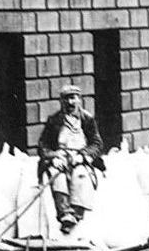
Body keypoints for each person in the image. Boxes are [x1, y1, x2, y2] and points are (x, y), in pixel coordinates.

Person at [37, 84, 105, 233]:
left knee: (81, 175)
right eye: (66, 99)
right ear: (61, 101)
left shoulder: (87, 119)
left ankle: (76, 213)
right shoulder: (54, 120)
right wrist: (53, 157)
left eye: (74, 98)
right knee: (57, 176)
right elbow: (43, 145)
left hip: (79, 157)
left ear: (79, 100)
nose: (70, 103)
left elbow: (97, 143)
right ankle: (64, 213)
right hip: (61, 157)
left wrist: (83, 155)